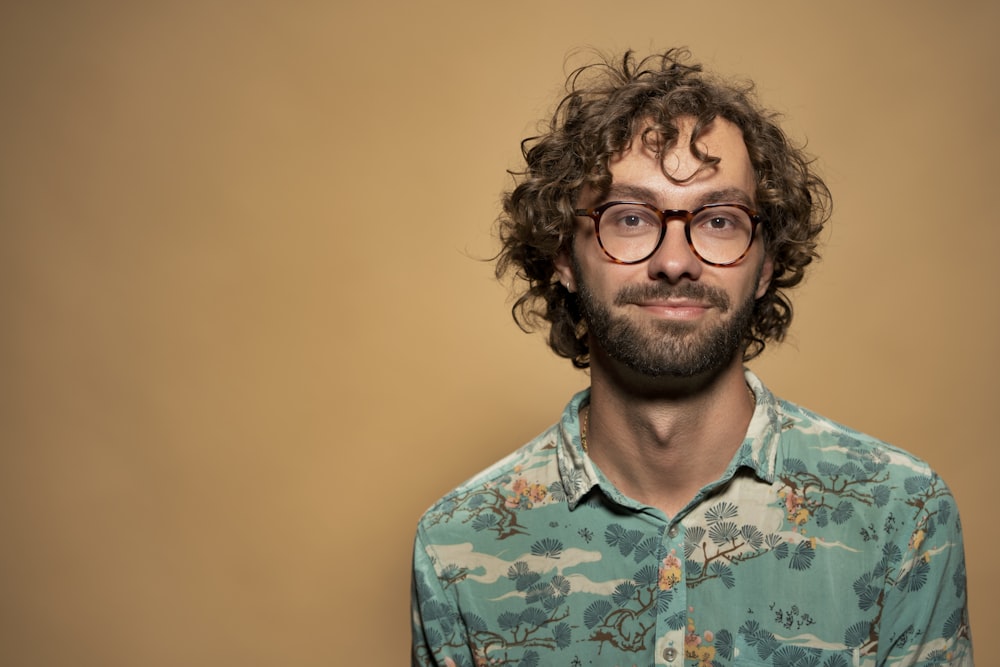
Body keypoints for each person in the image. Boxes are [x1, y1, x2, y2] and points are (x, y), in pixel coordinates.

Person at [411, 49, 972, 667]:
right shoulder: (458, 545)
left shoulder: (900, 516)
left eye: (719, 220)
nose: (675, 261)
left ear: (765, 264)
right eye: (628, 217)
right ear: (564, 256)